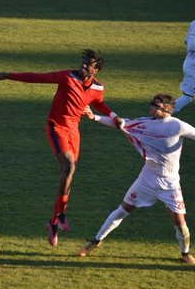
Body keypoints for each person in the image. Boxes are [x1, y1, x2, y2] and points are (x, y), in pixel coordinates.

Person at [0, 49, 123, 247]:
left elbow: (99, 103)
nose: (83, 65)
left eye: (88, 64)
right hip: (56, 127)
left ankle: (52, 222)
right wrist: (8, 76)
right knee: (69, 166)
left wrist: (113, 116)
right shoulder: (67, 77)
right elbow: (37, 78)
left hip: (73, 131)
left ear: (96, 70)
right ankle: (61, 214)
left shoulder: (98, 87)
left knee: (67, 173)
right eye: (83, 62)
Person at [79, 94, 195, 264]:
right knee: (122, 210)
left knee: (179, 222)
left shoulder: (177, 125)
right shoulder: (144, 123)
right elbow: (121, 123)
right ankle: (95, 241)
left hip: (170, 184)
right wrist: (94, 117)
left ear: (164, 108)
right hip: (146, 179)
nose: (150, 106)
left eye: (153, 105)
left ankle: (185, 253)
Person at [174, 20, 195, 113]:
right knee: (187, 97)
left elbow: (186, 41)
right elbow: (191, 45)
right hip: (193, 67)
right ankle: (158, 119)